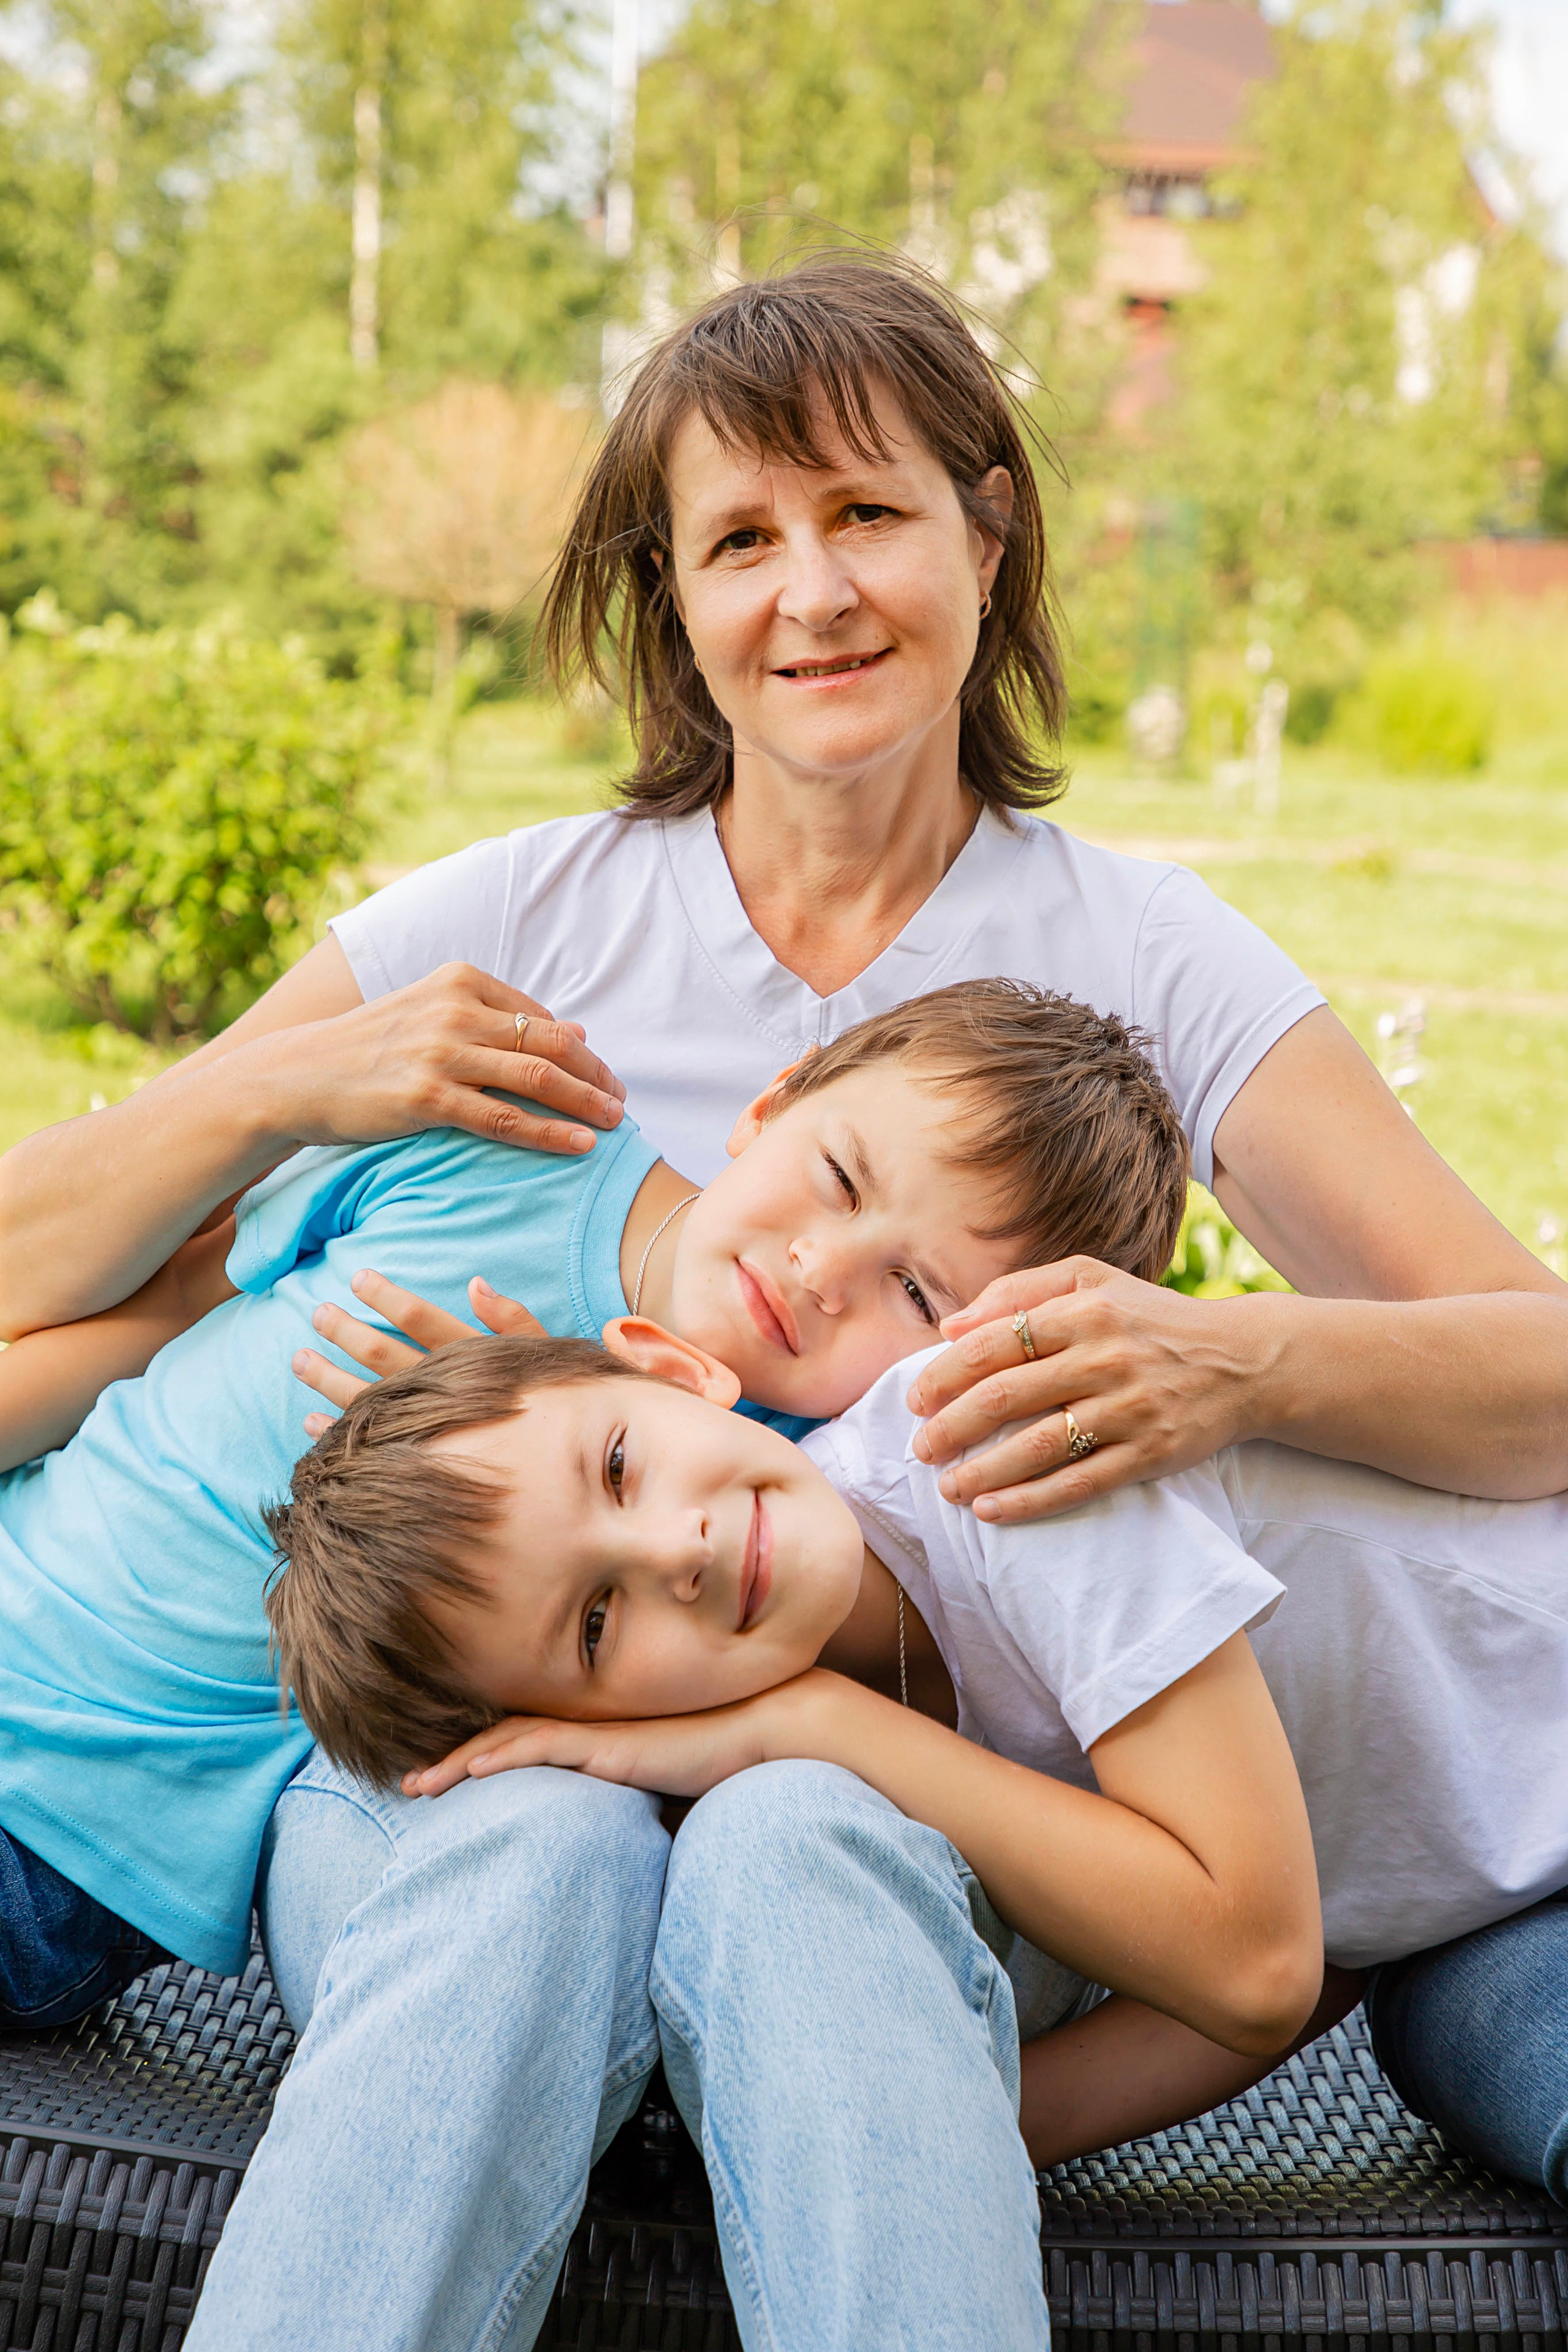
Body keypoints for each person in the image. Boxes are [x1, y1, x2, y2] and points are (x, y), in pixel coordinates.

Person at [1, 252, 1561, 2340]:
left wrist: (1228, 1358)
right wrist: (269, 1098)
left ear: (987, 539)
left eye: (867, 513)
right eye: (740, 538)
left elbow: (1538, 1380)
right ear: (671, 597)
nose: (811, 593)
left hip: (889, 1804)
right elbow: (80, 1272)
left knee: (797, 1831)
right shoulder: (514, 921)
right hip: (479, 1724)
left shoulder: (1149, 962)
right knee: (539, 1844)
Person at [258, 1312, 1568, 2252]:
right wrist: (873, 2135)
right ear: (576, 1728)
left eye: (616, 1466)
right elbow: (1308, 1961)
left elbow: (1255, 1964)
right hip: (1490, 1902)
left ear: (670, 1366)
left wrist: (816, 1724)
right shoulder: (815, 1785)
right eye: (596, 1624)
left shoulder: (997, 1453)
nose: (677, 1550)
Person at [0, 979, 1180, 2000]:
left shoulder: (758, 1514)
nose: (823, 1270)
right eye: (838, 1176)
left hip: (61, 1824)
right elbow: (147, 1330)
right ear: (776, 1099)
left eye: (917, 1296)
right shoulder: (502, 1146)